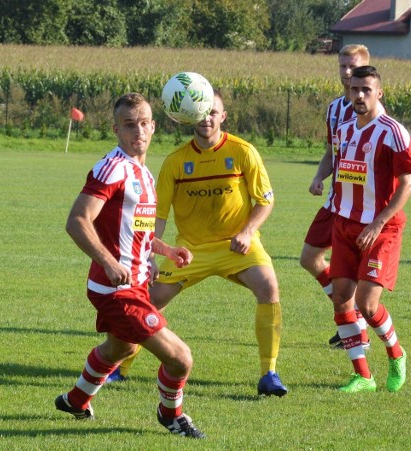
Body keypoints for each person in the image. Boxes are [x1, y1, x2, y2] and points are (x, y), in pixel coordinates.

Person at [108, 91, 288, 397]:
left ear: (223, 116)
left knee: (269, 287)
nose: (207, 119)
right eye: (201, 113)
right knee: (147, 301)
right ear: (190, 117)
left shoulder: (243, 151)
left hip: (237, 246)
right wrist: (151, 253)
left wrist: (247, 232)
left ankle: (269, 373)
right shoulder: (177, 161)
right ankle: (117, 369)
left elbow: (265, 201)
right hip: (189, 252)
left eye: (213, 113)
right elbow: (157, 214)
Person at [54, 92, 206, 439]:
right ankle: (171, 416)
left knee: (121, 347)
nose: (137, 131)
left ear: (153, 126)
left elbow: (134, 230)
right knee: (181, 358)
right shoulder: (113, 168)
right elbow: (77, 221)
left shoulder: (143, 172)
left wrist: (162, 250)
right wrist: (107, 261)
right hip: (117, 288)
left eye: (143, 123)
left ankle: (76, 400)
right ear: (116, 130)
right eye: (128, 125)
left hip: (135, 281)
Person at [331, 66, 411, 393]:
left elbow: (407, 185)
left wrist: (378, 221)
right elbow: (345, 175)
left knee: (366, 304)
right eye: (354, 89)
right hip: (345, 225)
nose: (360, 95)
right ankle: (363, 376)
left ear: (379, 92)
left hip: (382, 228)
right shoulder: (344, 129)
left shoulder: (393, 132)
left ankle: (396, 353)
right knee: (341, 300)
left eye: (366, 89)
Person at [301, 44, 375, 349]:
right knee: (308, 258)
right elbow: (333, 152)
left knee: (353, 274)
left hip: (361, 208)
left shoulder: (371, 109)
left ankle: (355, 323)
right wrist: (320, 176)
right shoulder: (334, 109)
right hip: (335, 201)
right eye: (342, 66)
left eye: (353, 67)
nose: (346, 72)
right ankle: (352, 314)